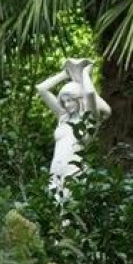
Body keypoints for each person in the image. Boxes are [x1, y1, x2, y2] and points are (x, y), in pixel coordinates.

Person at [36, 58, 111, 197]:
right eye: (64, 101)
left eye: (70, 100)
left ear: (79, 99)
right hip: (56, 170)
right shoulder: (63, 117)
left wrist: (85, 74)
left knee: (70, 207)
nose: (66, 105)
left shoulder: (90, 119)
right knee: (54, 207)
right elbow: (41, 89)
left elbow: (90, 93)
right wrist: (64, 74)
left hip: (74, 171)